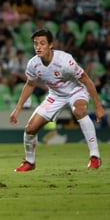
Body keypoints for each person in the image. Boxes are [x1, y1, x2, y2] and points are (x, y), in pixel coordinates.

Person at [10, 29, 104, 172]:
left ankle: (95, 156)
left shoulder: (65, 61)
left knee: (79, 111)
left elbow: (87, 80)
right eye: (35, 44)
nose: (38, 47)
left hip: (76, 90)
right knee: (30, 128)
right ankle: (30, 162)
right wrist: (17, 109)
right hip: (55, 95)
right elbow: (30, 84)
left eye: (42, 43)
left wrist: (98, 106)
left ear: (51, 45)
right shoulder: (33, 64)